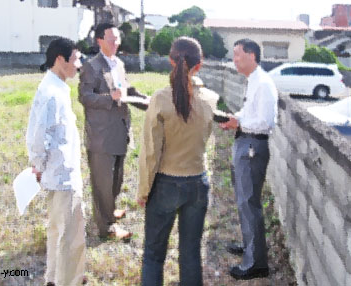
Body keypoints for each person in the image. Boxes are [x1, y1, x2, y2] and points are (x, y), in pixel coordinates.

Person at [137, 36, 219, 286]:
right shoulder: (211, 99)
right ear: (200, 63)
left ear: (171, 61)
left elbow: (151, 152)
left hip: (165, 183)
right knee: (191, 253)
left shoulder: (160, 99)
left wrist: (143, 190)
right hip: (197, 182)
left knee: (153, 254)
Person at [78, 23, 147, 240]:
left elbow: (126, 90)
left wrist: (147, 101)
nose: (116, 43)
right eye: (111, 39)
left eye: (117, 39)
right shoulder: (91, 66)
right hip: (101, 135)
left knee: (116, 178)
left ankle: (110, 211)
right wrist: (110, 99)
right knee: (102, 182)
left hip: (120, 131)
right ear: (99, 41)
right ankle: (106, 226)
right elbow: (85, 97)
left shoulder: (119, 63)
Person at [26, 38, 86, 286]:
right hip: (61, 176)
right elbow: (39, 136)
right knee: (69, 236)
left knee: (58, 231)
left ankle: (53, 278)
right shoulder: (52, 93)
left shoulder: (57, 87)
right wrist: (38, 166)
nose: (79, 65)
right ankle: (67, 281)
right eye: (75, 59)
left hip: (61, 173)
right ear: (60, 60)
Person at [219, 38, 278, 280]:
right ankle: (250, 247)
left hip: (253, 145)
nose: (234, 60)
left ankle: (256, 264)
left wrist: (239, 122)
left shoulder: (263, 83)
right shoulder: (253, 80)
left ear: (252, 55)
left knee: (249, 203)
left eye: (238, 55)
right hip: (246, 142)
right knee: (244, 201)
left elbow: (266, 122)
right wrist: (236, 118)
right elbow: (250, 111)